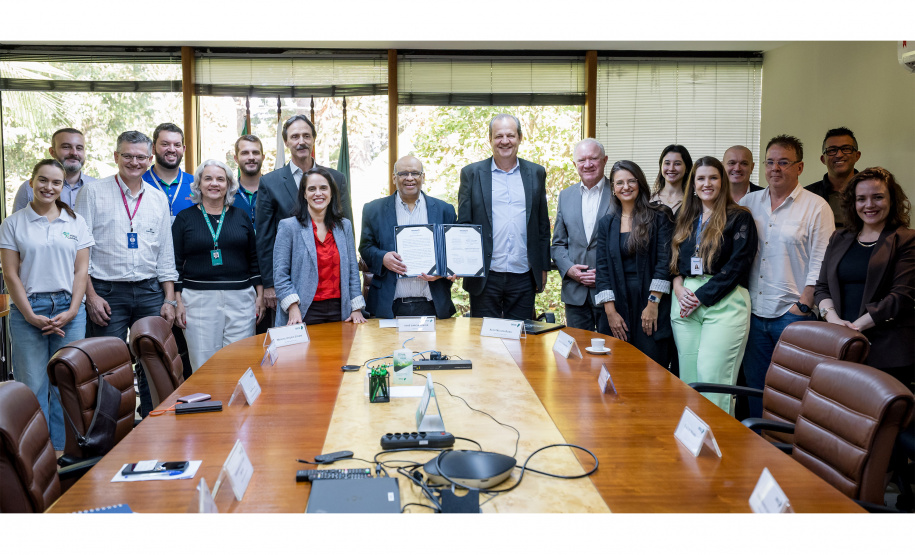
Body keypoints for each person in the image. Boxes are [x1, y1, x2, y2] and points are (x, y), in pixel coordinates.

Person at [75, 130, 179, 418]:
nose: (134, 162)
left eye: (141, 157)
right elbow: (80, 251)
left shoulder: (158, 198)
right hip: (107, 293)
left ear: (149, 159)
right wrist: (90, 297)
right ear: (115, 157)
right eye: (128, 156)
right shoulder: (93, 192)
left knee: (152, 362)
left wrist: (169, 299)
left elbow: (165, 254)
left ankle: (151, 424)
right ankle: (114, 434)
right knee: (108, 367)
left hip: (149, 292)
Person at [0, 160, 94, 455]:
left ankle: (64, 451)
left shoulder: (76, 222)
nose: (48, 187)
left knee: (66, 384)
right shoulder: (13, 223)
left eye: (56, 183)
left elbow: (81, 271)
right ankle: (36, 457)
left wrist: (73, 309)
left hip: (70, 309)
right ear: (31, 183)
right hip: (29, 310)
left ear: (63, 187)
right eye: (42, 180)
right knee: (32, 387)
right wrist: (29, 313)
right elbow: (10, 273)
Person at [739, 135, 834, 419]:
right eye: (770, 162)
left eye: (783, 162)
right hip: (752, 314)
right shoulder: (748, 202)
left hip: (792, 315)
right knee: (755, 389)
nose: (775, 169)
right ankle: (760, 449)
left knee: (793, 391)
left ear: (800, 167)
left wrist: (804, 304)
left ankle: (789, 456)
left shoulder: (817, 207)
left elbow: (821, 261)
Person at [669, 157, 758, 414]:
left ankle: (718, 444)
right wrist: (678, 287)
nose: (707, 183)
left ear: (723, 181)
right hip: (684, 302)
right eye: (701, 178)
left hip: (724, 302)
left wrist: (700, 296)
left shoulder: (739, 218)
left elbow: (738, 265)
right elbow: (673, 262)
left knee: (713, 378)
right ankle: (692, 445)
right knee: (688, 378)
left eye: (713, 178)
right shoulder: (684, 217)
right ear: (693, 184)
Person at [815, 167, 914, 387]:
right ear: (853, 202)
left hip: (887, 352)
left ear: (892, 200)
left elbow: (901, 296)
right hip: (840, 346)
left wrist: (855, 328)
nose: (869, 205)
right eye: (861, 199)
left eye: (878, 197)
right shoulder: (839, 237)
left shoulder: (906, 239)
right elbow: (822, 287)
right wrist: (834, 322)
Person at [256, 115, 353, 323]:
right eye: (295, 136)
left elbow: (345, 227)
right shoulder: (270, 182)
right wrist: (270, 284)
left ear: (313, 139)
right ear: (287, 142)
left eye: (306, 136)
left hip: (333, 288)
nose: (301, 141)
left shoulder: (336, 178)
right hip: (292, 285)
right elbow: (264, 237)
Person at [172, 160, 263, 372]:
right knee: (205, 367)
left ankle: (237, 406)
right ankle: (208, 405)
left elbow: (253, 258)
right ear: (199, 184)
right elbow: (174, 263)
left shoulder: (240, 216)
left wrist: (259, 295)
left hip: (241, 299)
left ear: (229, 185)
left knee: (240, 363)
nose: (215, 184)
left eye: (220, 179)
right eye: (208, 178)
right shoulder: (185, 218)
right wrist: (178, 302)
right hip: (198, 300)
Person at [457, 113, 550, 320]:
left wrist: (543, 267)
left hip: (523, 274)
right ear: (490, 139)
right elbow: (463, 225)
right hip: (484, 274)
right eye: (499, 136)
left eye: (510, 135)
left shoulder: (536, 173)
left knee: (520, 341)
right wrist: (461, 263)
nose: (505, 141)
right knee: (483, 340)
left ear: (520, 138)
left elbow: (542, 224)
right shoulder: (471, 174)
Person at [595, 160, 674, 368]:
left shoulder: (659, 216)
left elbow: (664, 262)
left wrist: (652, 304)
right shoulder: (606, 223)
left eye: (631, 181)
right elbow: (602, 269)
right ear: (613, 187)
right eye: (619, 183)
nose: (626, 187)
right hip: (617, 304)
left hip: (650, 302)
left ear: (640, 184)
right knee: (617, 368)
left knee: (652, 368)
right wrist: (610, 313)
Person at [359, 155, 456, 319]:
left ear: (423, 177)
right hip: (389, 306)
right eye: (403, 173)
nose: (409, 178)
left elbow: (453, 250)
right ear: (394, 177)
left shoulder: (444, 210)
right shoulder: (373, 210)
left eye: (415, 173)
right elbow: (365, 248)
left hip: (434, 305)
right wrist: (383, 258)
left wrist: (444, 269)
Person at [273, 167, 366, 326]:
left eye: (323, 188)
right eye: (311, 189)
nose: (318, 193)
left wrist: (356, 307)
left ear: (331, 192)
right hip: (302, 311)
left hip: (340, 311)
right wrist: (292, 306)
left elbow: (352, 270)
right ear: (304, 194)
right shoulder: (289, 227)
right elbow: (280, 274)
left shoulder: (344, 226)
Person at [551, 138, 615, 331]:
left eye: (593, 159)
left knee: (612, 353)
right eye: (582, 160)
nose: (587, 165)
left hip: (611, 292)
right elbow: (558, 244)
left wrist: (605, 275)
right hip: (575, 293)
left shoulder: (619, 192)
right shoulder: (565, 196)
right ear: (574, 164)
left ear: (604, 160)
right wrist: (570, 270)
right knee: (578, 355)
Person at [12, 128, 95, 212]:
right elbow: (17, 223)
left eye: (79, 148)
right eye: (66, 147)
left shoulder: (97, 187)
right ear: (52, 152)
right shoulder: (30, 188)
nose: (74, 152)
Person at [805, 127, 861, 228]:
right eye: (832, 150)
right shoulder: (807, 195)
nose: (839, 155)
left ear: (857, 156)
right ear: (823, 159)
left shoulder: (873, 192)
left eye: (846, 149)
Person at [142, 123, 195, 222]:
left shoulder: (196, 184)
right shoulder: (139, 182)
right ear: (153, 148)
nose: (171, 149)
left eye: (177, 145)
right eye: (165, 144)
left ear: (183, 149)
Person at [650, 144, 693, 216]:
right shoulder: (649, 200)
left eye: (677, 164)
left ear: (687, 169)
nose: (671, 169)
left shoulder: (694, 202)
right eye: (667, 163)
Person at [232, 134, 264, 226]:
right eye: (245, 153)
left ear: (263, 157)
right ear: (236, 159)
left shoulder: (275, 190)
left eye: (255, 152)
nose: (251, 157)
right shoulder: (227, 193)